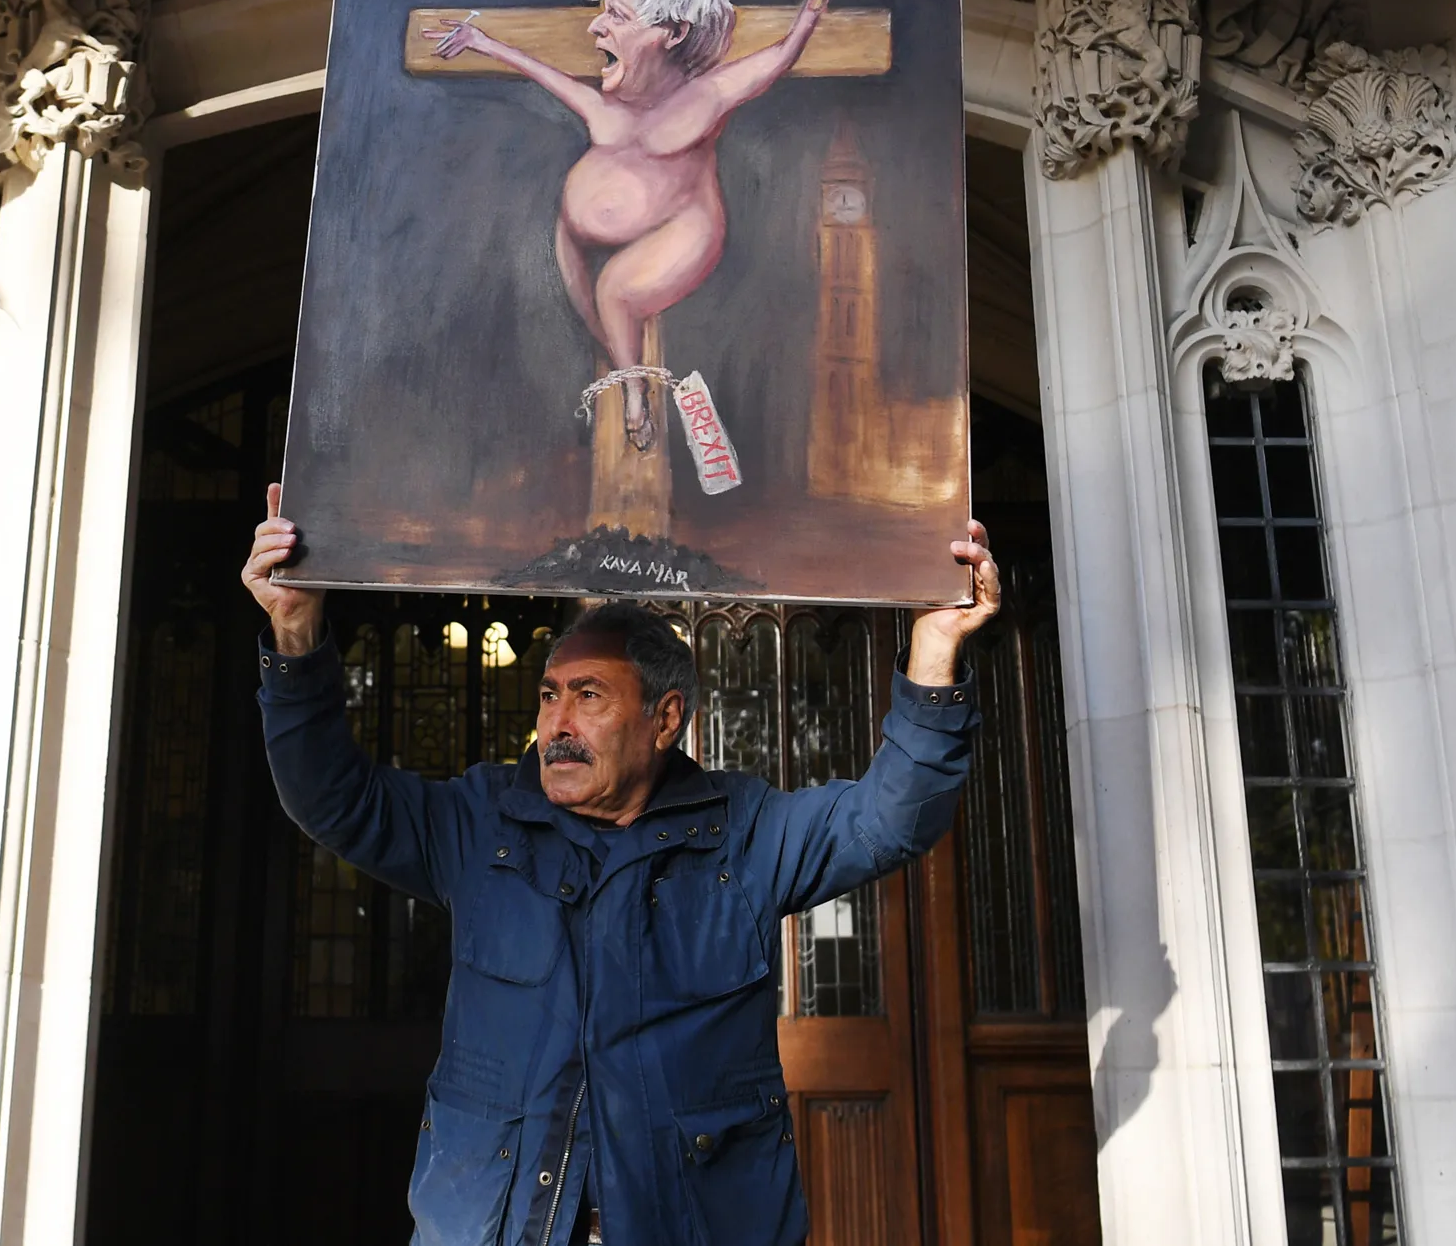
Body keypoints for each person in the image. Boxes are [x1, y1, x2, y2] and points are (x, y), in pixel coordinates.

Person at [242, 485, 1002, 1246]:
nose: (557, 724)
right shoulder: (481, 823)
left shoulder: (743, 834)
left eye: (588, 696)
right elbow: (333, 798)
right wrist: (296, 633)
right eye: (549, 696)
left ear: (664, 719)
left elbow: (891, 819)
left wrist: (936, 648)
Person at [426, 0, 877, 452]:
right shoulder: (604, 102)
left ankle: (635, 399)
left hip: (682, 228)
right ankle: (633, 379)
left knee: (616, 292)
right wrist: (483, 42)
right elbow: (542, 73)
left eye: (616, 15)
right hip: (576, 242)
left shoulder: (709, 95)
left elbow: (784, 52)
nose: (595, 28)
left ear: (673, 33)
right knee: (600, 321)